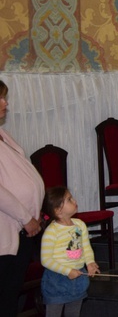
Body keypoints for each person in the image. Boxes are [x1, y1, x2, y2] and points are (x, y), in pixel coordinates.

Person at [0, 80, 45, 317]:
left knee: (10, 295)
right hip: (6, 230)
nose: (6, 103)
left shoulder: (3, 134)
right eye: (1, 98)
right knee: (4, 297)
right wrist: (26, 217)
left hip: (21, 230)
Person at [40, 186, 100, 316]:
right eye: (69, 199)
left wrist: (90, 262)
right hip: (57, 279)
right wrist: (67, 271)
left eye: (71, 197)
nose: (74, 200)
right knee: (54, 313)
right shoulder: (52, 232)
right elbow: (46, 260)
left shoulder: (80, 225)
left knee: (73, 313)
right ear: (58, 211)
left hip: (78, 275)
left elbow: (86, 247)